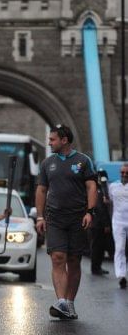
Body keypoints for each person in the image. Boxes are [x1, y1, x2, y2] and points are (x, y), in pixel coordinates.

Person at [35, 124, 97, 320]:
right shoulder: (47, 163)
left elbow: (91, 187)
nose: (49, 142)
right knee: (58, 257)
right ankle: (61, 301)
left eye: (52, 139)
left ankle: (69, 303)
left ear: (64, 140)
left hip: (77, 218)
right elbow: (41, 190)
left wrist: (90, 212)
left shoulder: (83, 161)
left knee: (74, 261)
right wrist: (40, 216)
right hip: (55, 218)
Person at [108, 163, 128, 289]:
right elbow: (109, 200)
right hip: (118, 222)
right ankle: (121, 276)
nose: (124, 175)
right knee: (120, 248)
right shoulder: (113, 186)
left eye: (127, 173)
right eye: (122, 173)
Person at [89, 170, 111, 275]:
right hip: (98, 224)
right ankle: (95, 268)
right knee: (97, 247)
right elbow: (100, 208)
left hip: (98, 223)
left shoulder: (102, 188)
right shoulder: (98, 190)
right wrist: (106, 224)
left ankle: (97, 267)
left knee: (99, 247)